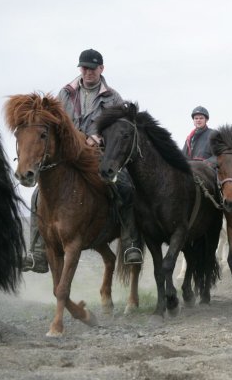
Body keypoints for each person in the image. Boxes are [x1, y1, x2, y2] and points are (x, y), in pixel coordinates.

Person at [22, 48, 143, 273]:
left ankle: (130, 244)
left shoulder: (113, 97)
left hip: (97, 154)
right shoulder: (65, 94)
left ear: (101, 69)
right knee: (38, 194)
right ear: (80, 69)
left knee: (125, 186)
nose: (88, 72)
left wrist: (97, 136)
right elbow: (56, 125)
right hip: (69, 156)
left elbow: (117, 127)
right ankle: (37, 251)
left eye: (92, 68)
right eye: (84, 68)